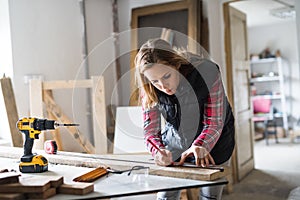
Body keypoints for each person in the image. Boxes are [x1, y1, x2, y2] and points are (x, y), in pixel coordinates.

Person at [134, 38, 235, 200]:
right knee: (166, 196)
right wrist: (158, 151)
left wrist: (201, 145)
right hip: (177, 139)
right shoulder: (148, 88)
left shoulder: (208, 73)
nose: (163, 86)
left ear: (176, 65)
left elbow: (214, 121)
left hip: (216, 140)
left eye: (167, 76)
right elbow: (150, 131)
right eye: (155, 81)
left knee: (210, 196)